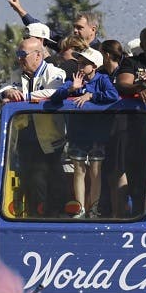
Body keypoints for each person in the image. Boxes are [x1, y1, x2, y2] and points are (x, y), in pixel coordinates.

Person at [0, 37, 67, 217]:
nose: (19, 58)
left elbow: (56, 91)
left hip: (50, 140)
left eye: (23, 54)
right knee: (31, 182)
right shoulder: (16, 74)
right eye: (18, 54)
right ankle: (35, 216)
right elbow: (2, 91)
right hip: (25, 138)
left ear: (38, 56)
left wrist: (25, 97)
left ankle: (54, 218)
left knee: (53, 181)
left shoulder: (54, 72)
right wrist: (8, 92)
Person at [50, 47, 120, 218]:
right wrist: (71, 90)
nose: (80, 67)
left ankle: (94, 209)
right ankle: (80, 208)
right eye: (79, 63)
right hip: (77, 133)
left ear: (94, 66)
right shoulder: (74, 79)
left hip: (98, 134)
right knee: (79, 170)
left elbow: (113, 95)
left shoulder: (102, 79)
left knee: (96, 171)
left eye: (85, 64)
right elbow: (55, 97)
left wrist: (91, 95)